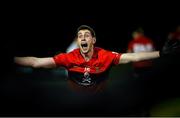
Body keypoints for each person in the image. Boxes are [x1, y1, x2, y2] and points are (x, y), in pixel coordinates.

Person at [14, 25, 178, 94]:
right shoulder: (69, 57)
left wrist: (160, 53)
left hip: (101, 103)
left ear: (93, 40)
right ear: (78, 41)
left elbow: (132, 56)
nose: (83, 38)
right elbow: (35, 62)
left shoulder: (104, 55)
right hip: (76, 104)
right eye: (80, 36)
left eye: (86, 35)